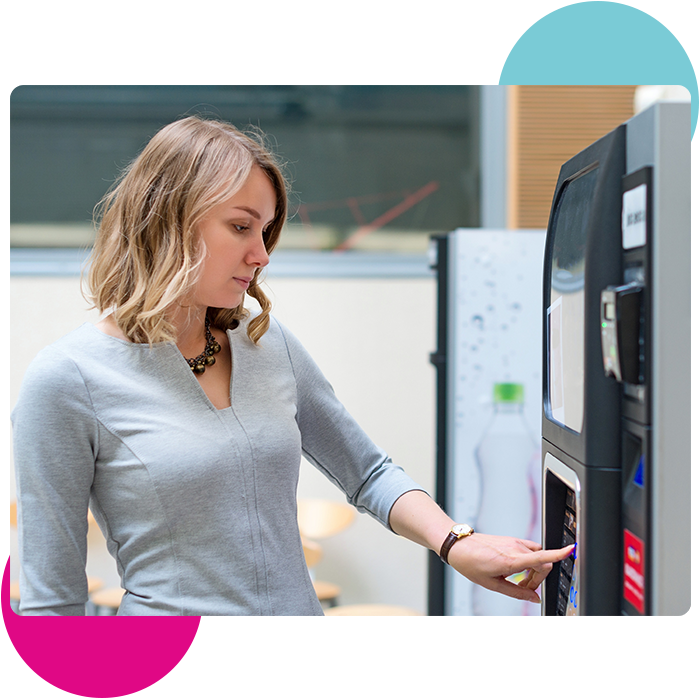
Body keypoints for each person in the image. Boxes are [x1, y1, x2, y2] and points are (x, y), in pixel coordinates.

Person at [11, 116, 573, 616]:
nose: (261, 254)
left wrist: (456, 543)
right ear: (169, 219)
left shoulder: (264, 343)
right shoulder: (67, 380)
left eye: (266, 230)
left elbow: (368, 472)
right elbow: (52, 604)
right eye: (240, 226)